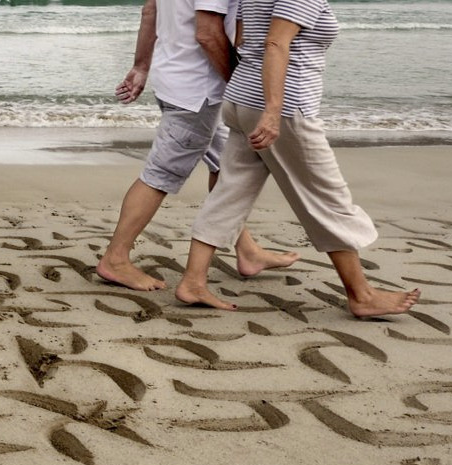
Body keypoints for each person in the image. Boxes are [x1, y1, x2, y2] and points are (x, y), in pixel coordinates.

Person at [175, 0, 421, 316]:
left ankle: (193, 281)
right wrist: (273, 112)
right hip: (285, 110)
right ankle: (362, 295)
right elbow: (275, 42)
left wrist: (255, 97)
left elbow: (242, 38)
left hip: (241, 100)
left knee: (229, 192)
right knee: (327, 198)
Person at [98, 0, 300, 292]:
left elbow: (150, 10)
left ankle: (248, 252)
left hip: (176, 78)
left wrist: (141, 66)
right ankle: (115, 259)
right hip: (198, 92)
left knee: (224, 165)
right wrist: (237, 83)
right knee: (161, 174)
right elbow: (207, 33)